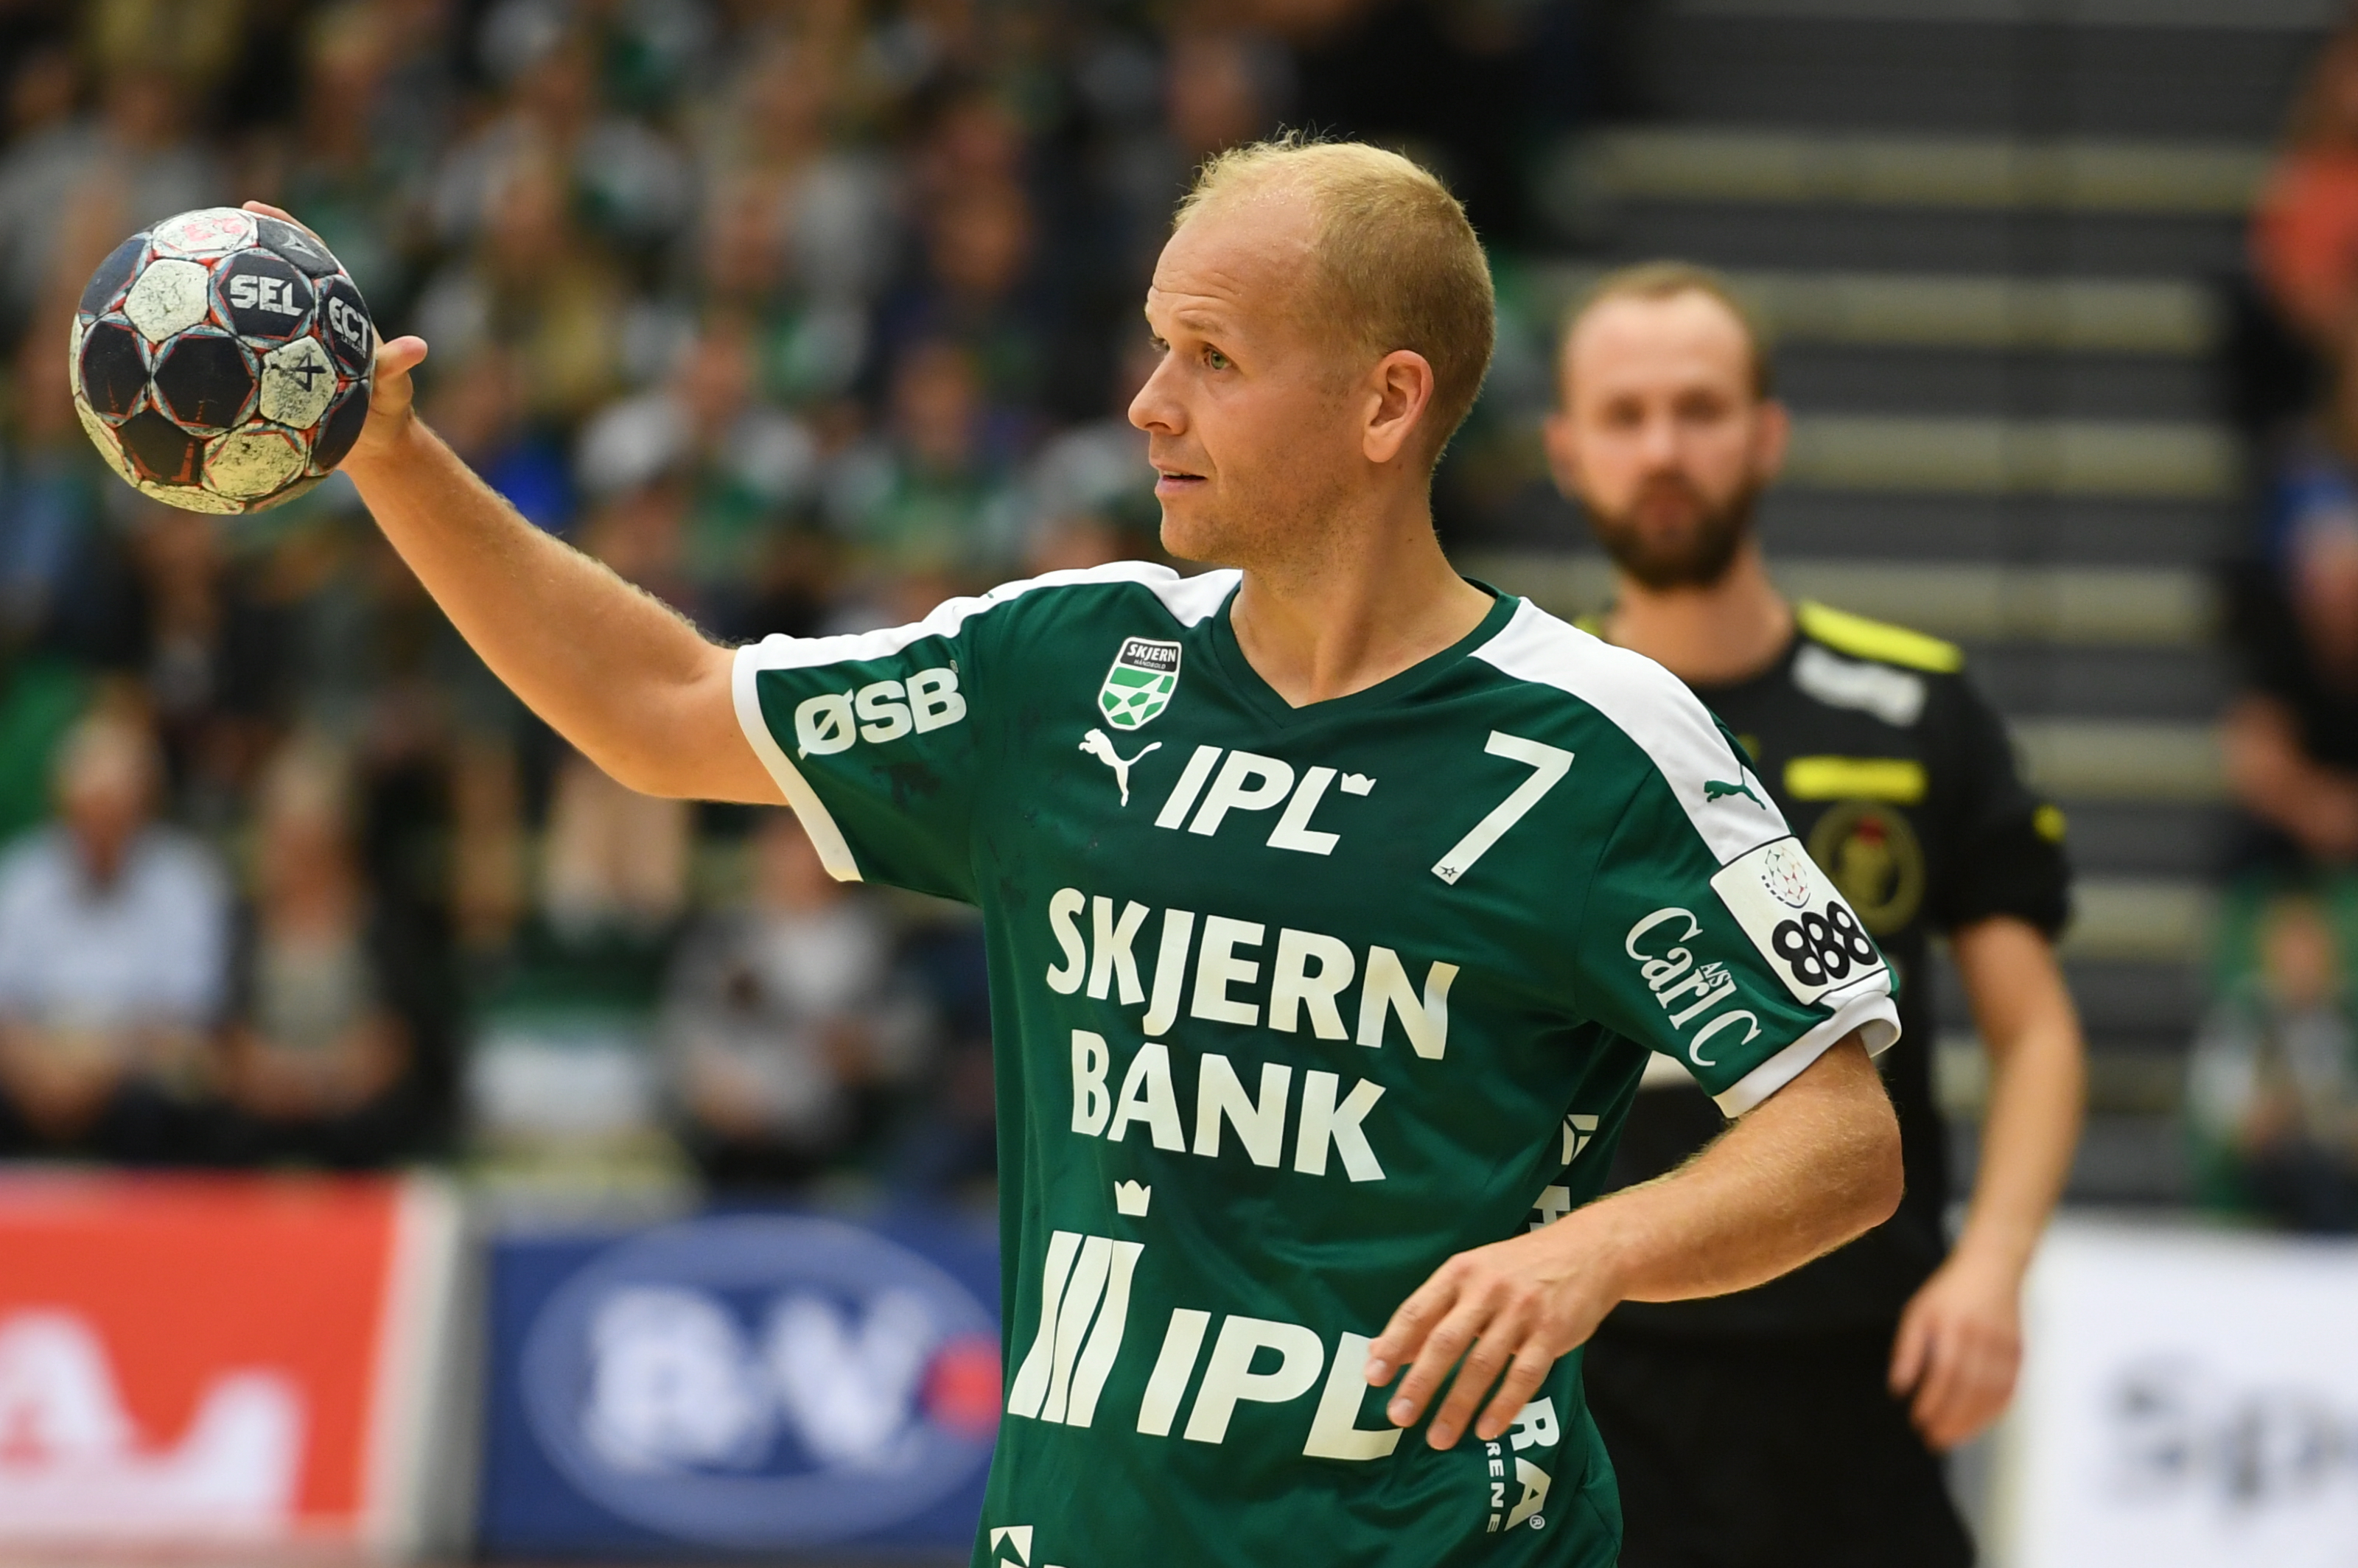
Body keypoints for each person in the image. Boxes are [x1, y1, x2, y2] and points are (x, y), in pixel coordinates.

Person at [271, 136, 1908, 1568]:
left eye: (1213, 356)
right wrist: (395, 458)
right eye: (1155, 343)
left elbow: (1842, 1137)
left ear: (1386, 401)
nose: (1148, 402)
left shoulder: (1602, 740)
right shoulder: (1062, 671)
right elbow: (663, 708)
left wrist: (1592, 1251)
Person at [1541, 262, 2085, 1567]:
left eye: (1699, 408)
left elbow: (2037, 1034)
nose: (1662, 449)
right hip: (1592, 1372)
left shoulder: (1916, 708)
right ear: (1565, 451)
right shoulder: (1520, 715)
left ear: (1767, 434)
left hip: (1858, 1369)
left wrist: (1994, 1264)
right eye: (1623, 415)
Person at [0, 707, 228, 1159]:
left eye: (116, 808)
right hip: (35, 1065)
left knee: (173, 1095)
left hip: (137, 1072)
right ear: (62, 804)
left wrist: (98, 1069)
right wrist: (39, 1068)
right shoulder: (21, 878)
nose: (101, 823)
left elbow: (190, 1018)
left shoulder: (185, 882)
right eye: (89, 807)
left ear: (145, 806)